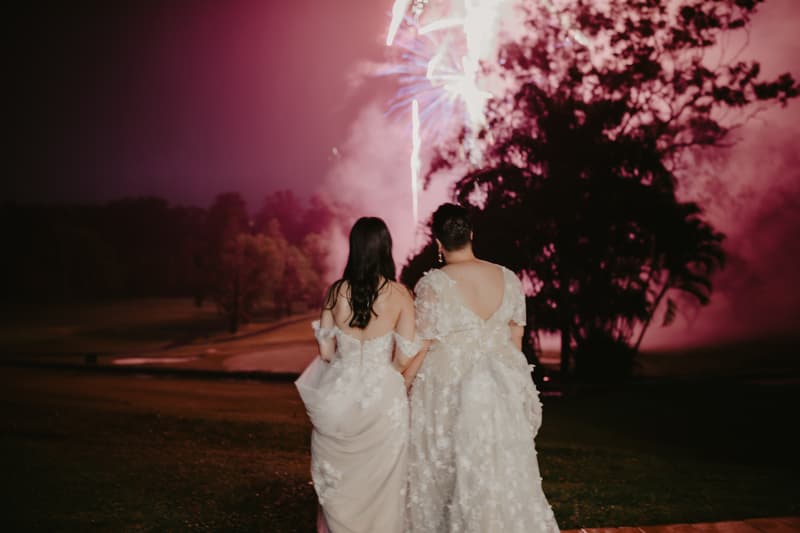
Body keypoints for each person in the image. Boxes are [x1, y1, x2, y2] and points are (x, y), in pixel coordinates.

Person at [403, 203, 560, 533]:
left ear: (438, 243)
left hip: (447, 388)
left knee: (447, 469)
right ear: (471, 235)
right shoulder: (509, 278)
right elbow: (515, 341)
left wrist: (402, 381)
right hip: (499, 383)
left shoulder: (433, 283)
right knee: (500, 468)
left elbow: (424, 342)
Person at [295, 217, 420, 533]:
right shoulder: (400, 295)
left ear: (354, 249)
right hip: (383, 400)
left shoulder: (336, 292)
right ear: (386, 249)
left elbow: (325, 353)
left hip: (338, 396)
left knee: (341, 482)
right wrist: (386, 375)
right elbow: (405, 356)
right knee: (383, 483)